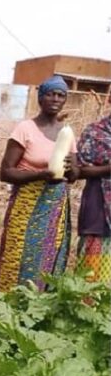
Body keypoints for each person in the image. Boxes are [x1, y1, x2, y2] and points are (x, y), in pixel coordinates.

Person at [0, 75, 77, 292]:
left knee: (49, 257)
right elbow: (6, 173)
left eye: (61, 95)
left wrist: (72, 169)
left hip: (54, 208)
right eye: (51, 94)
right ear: (41, 98)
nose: (56, 99)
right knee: (17, 255)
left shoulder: (67, 133)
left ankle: (41, 310)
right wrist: (40, 175)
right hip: (26, 205)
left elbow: (74, 175)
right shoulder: (25, 129)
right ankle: (9, 307)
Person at [75, 113, 111, 284]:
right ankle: (89, 308)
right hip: (99, 208)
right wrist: (108, 169)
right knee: (91, 274)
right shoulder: (95, 132)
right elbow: (78, 171)